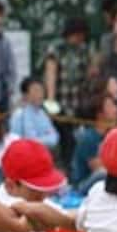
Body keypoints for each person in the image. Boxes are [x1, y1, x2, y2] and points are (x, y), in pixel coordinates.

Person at [42, 17, 94, 169]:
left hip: (78, 102)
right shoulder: (56, 49)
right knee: (64, 138)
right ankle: (64, 168)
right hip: (61, 100)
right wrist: (50, 100)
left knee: (77, 138)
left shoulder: (84, 50)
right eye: (78, 35)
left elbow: (88, 73)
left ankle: (74, 168)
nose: (80, 38)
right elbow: (50, 74)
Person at [70, 92, 117, 193]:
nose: (116, 109)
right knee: (103, 173)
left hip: (98, 181)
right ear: (99, 113)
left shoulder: (108, 134)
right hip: (82, 184)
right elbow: (97, 168)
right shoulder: (89, 137)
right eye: (110, 106)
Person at [9, 77, 59, 150]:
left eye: (42, 90)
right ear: (25, 95)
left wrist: (38, 140)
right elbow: (28, 140)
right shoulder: (19, 115)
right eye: (36, 90)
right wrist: (45, 139)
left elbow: (55, 137)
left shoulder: (42, 113)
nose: (40, 94)